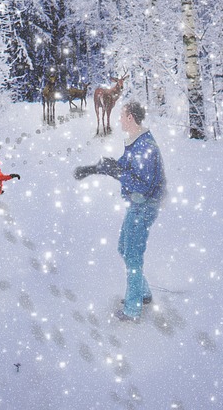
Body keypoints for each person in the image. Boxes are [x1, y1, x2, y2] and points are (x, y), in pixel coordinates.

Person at [74, 99, 166, 323]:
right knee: (124, 248)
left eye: (121, 115)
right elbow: (123, 165)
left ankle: (132, 309)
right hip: (138, 204)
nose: (118, 119)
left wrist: (117, 173)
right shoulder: (135, 141)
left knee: (132, 255)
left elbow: (143, 185)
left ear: (131, 118)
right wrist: (96, 169)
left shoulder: (145, 146)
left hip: (145, 205)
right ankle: (143, 294)